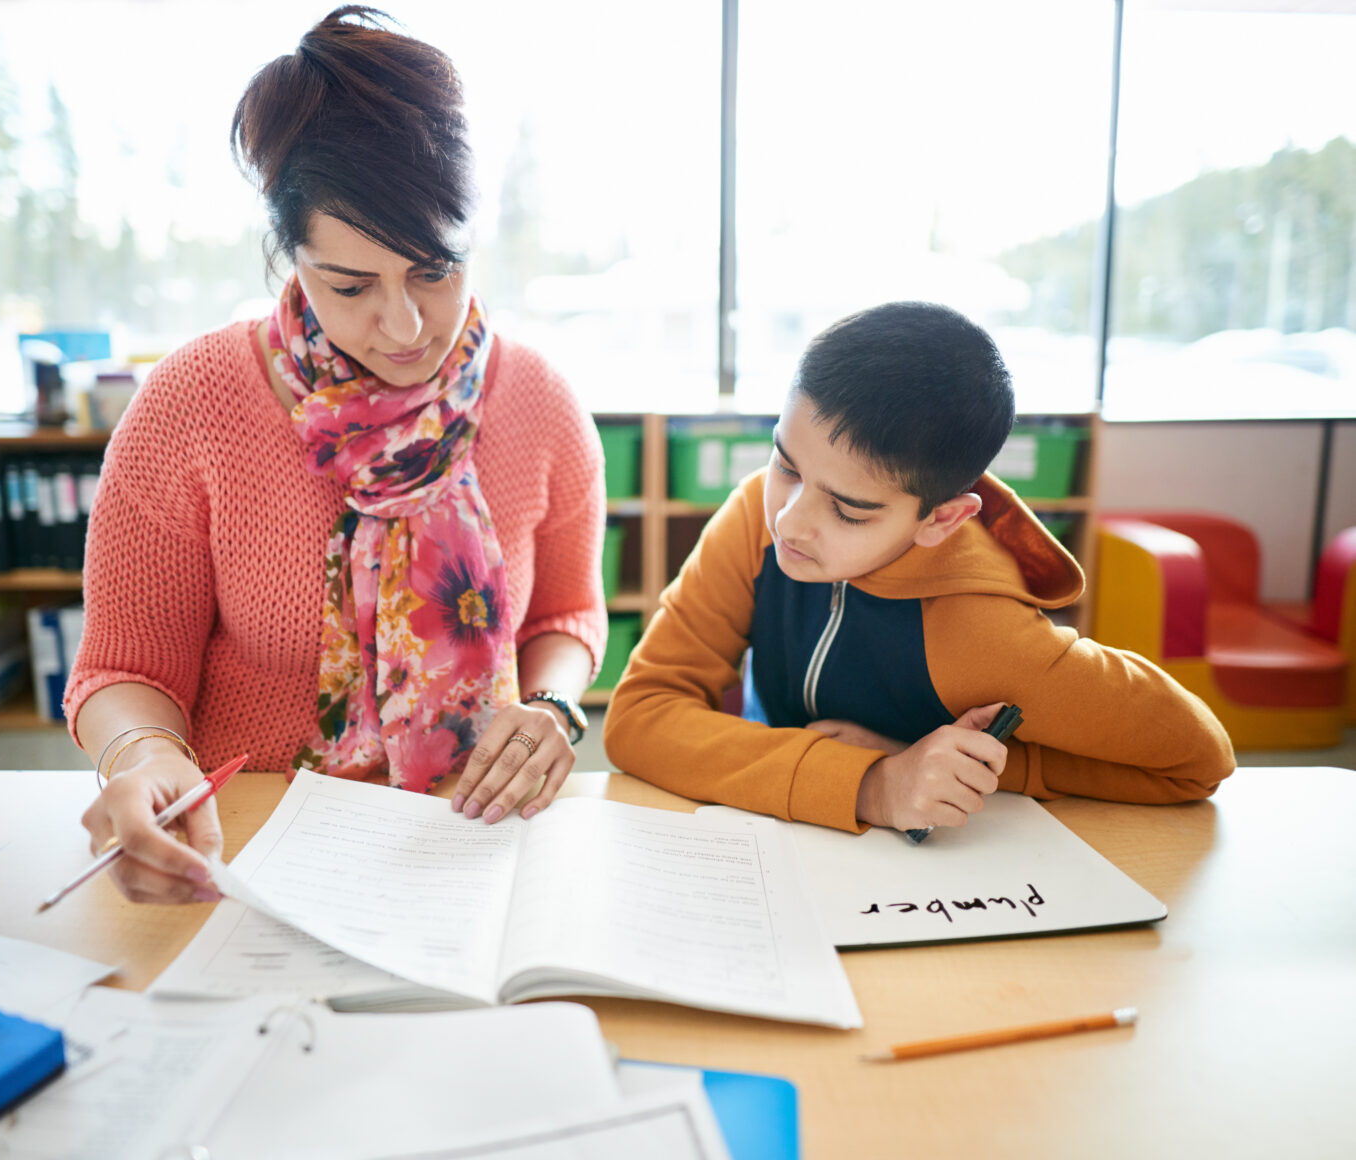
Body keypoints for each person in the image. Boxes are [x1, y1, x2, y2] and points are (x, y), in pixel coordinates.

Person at [67, 6, 606, 904]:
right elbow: (124, 668)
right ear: (290, 258)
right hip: (249, 849)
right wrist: (142, 755)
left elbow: (567, 618)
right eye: (351, 285)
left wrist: (551, 708)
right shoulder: (189, 405)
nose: (404, 327)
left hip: (471, 849)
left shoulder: (541, 405)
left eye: (435, 270)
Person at [602, 301, 1234, 835]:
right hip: (781, 844)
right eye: (786, 465)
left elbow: (1196, 760)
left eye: (849, 511)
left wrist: (978, 767)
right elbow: (640, 715)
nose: (790, 521)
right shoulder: (750, 518)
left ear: (941, 520)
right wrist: (871, 784)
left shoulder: (988, 636)